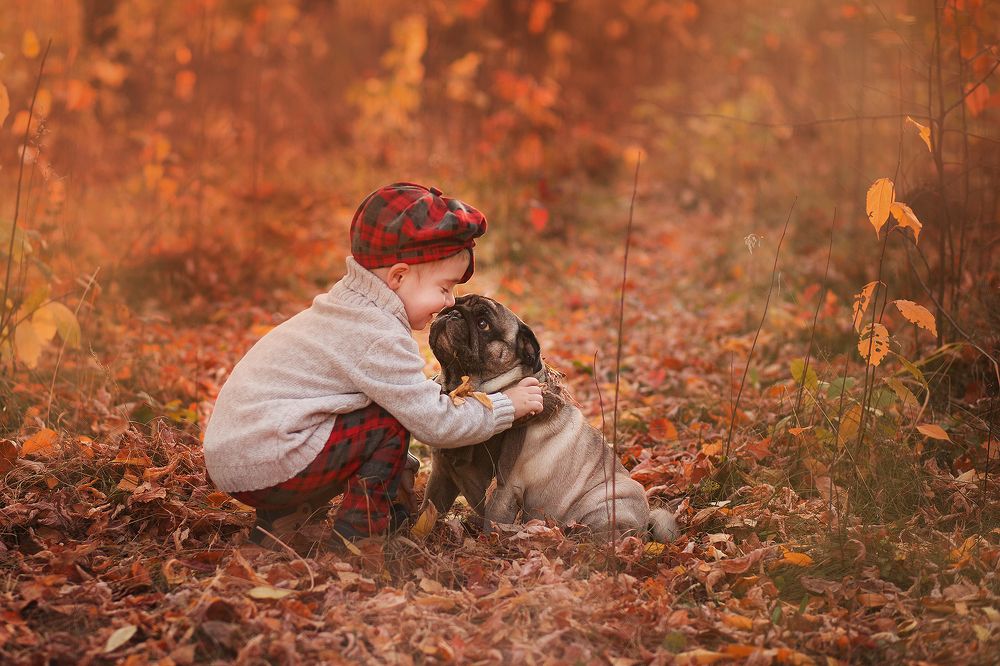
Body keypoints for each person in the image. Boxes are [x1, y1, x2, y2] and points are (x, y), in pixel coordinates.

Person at [202, 182, 543, 546]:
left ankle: (281, 522)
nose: (448, 303)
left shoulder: (349, 308)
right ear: (398, 277)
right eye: (445, 288)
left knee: (373, 412)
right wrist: (506, 406)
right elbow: (434, 422)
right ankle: (361, 536)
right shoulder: (379, 335)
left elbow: (399, 395)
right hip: (267, 462)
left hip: (240, 455)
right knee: (385, 423)